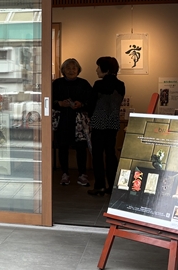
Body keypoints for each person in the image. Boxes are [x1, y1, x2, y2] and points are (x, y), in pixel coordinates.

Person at [52, 58, 93, 187]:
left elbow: (92, 101)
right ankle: (65, 173)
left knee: (81, 147)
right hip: (62, 120)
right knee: (62, 147)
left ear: (78, 70)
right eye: (68, 68)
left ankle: (82, 174)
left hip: (79, 121)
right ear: (63, 70)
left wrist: (81, 104)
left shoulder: (84, 84)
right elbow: (49, 99)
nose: (71, 71)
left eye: (74, 68)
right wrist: (59, 103)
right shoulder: (56, 83)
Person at [88, 56, 126, 196]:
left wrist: (90, 116)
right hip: (113, 123)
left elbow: (91, 104)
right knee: (111, 154)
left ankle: (100, 186)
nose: (96, 69)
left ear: (106, 69)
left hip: (98, 123)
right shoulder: (121, 85)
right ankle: (112, 186)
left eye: (98, 67)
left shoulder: (99, 84)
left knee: (97, 154)